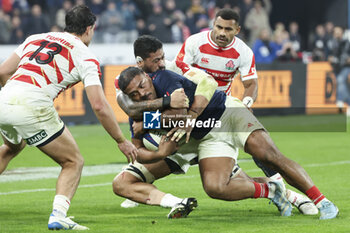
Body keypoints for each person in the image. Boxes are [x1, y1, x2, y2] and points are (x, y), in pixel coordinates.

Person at [117, 66, 339, 220]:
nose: (142, 94)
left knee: (268, 155)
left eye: (142, 85)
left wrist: (148, 120)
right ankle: (272, 189)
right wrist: (157, 154)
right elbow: (139, 148)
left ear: (147, 76)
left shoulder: (164, 78)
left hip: (226, 114)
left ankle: (323, 201)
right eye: (134, 94)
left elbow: (182, 116)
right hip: (204, 137)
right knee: (215, 187)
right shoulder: (137, 111)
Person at [0, 5, 138, 230]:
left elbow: (3, 71)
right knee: (73, 161)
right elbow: (99, 105)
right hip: (32, 104)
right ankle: (58, 214)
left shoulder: (36, 38)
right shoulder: (85, 55)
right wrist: (121, 140)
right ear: (89, 29)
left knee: (11, 148)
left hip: (4, 99)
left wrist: (13, 101)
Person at [175, 8, 317, 214]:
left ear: (237, 30)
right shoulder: (194, 42)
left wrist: (246, 104)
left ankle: (291, 194)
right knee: (161, 148)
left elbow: (250, 83)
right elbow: (179, 74)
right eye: (219, 27)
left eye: (228, 29)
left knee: (262, 153)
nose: (222, 33)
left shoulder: (243, 51)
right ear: (213, 25)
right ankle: (135, 186)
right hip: (192, 110)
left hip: (221, 111)